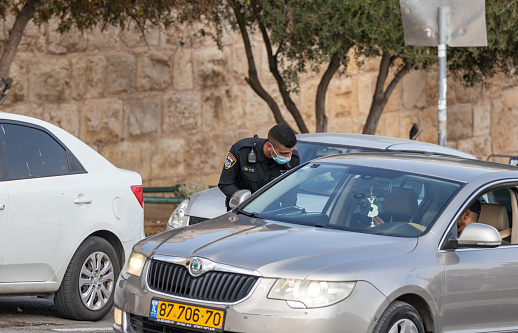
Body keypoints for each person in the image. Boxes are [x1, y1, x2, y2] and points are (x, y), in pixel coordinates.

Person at [218, 124, 300, 209]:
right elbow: (226, 184)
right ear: (269, 146)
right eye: (283, 153)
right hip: (241, 210)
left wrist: (288, 213)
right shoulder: (241, 151)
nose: (288, 157)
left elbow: (290, 191)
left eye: (291, 152)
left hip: (269, 213)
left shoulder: (293, 159)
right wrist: (245, 201)